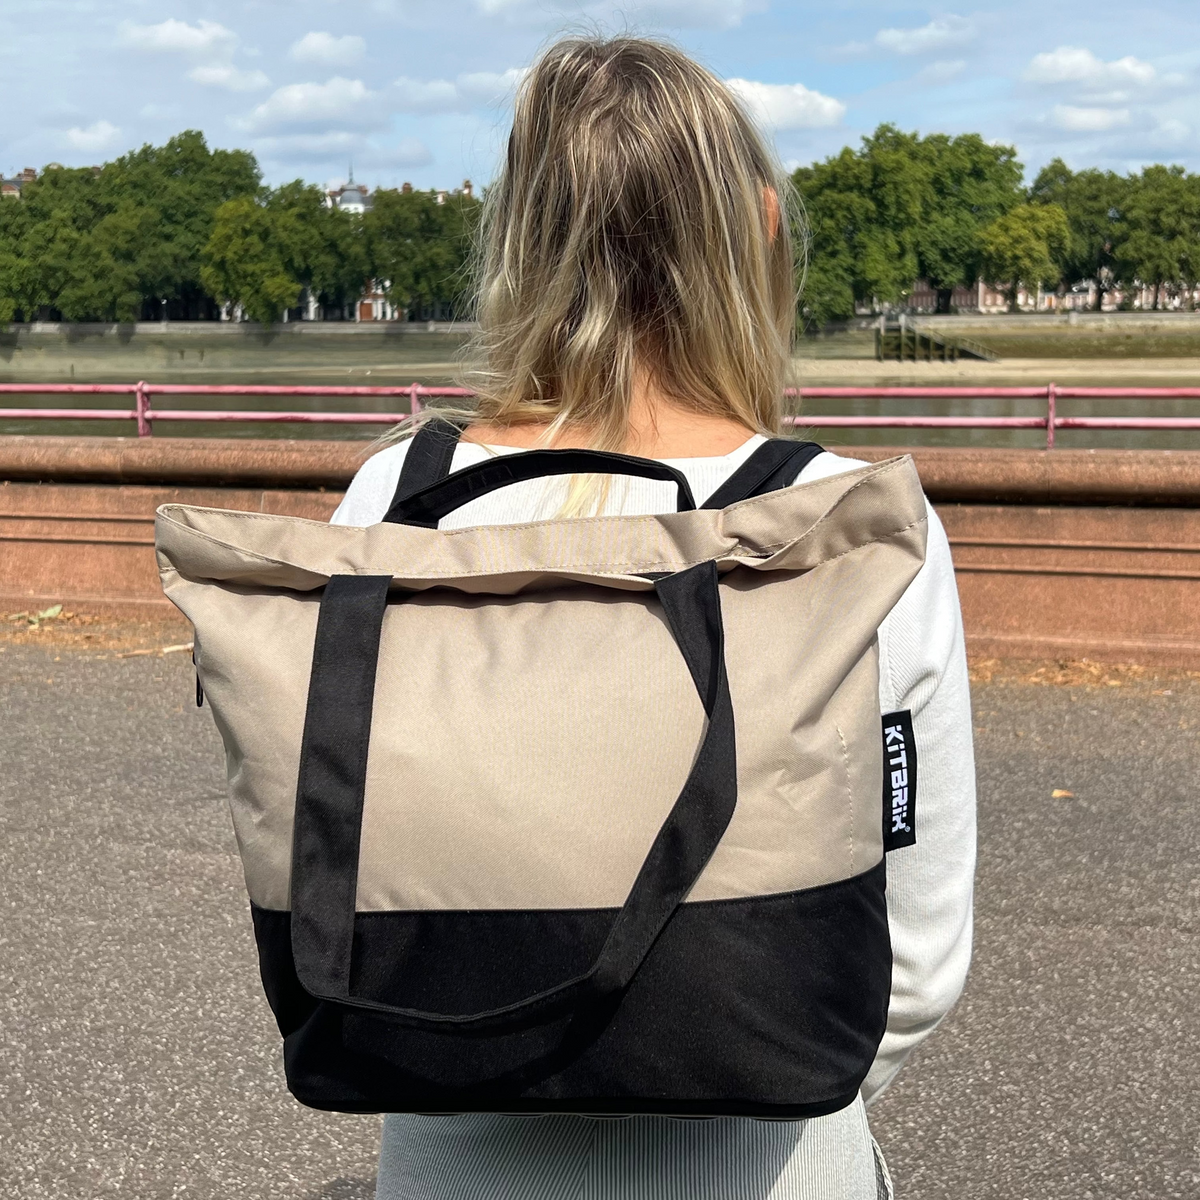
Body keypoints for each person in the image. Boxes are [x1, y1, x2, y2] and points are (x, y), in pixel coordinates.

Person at [331, 34, 975, 1200]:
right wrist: (748, 1060)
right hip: (770, 1160)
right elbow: (913, 960)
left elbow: (340, 870)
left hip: (455, 1158)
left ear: (516, 240)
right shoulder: (849, 525)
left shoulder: (396, 500)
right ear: (762, 230)